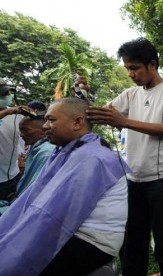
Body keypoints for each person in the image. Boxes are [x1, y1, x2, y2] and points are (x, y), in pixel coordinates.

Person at [86, 38, 163, 276]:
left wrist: (124, 122)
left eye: (134, 68)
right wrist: (82, 97)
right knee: (132, 241)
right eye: (127, 68)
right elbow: (100, 113)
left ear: (152, 65)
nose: (130, 74)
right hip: (133, 178)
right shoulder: (130, 95)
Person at [0, 97, 130, 275]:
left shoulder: (92, 158)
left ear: (77, 122)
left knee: (14, 258)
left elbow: (53, 212)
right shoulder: (70, 151)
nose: (45, 126)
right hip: (75, 232)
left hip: (91, 241)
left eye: (51, 120)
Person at [15, 110, 55, 196]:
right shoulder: (37, 147)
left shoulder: (45, 153)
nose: (21, 135)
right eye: (21, 131)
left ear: (44, 130)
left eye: (25, 130)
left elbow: (33, 190)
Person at [0, 79, 23, 201]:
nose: (8, 97)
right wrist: (7, 112)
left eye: (8, 93)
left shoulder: (16, 116)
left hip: (13, 176)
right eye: (3, 94)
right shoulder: (9, 112)